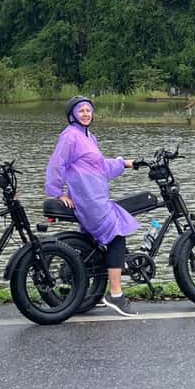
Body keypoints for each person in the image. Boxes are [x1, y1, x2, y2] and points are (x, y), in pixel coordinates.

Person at [45, 95, 139, 316]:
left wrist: (125, 163)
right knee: (116, 234)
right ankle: (115, 294)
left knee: (95, 243)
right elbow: (56, 163)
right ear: (72, 115)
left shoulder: (89, 137)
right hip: (88, 198)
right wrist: (57, 192)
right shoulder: (70, 136)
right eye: (81, 110)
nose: (86, 114)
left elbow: (100, 167)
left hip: (96, 195)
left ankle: (90, 292)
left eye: (89, 110)